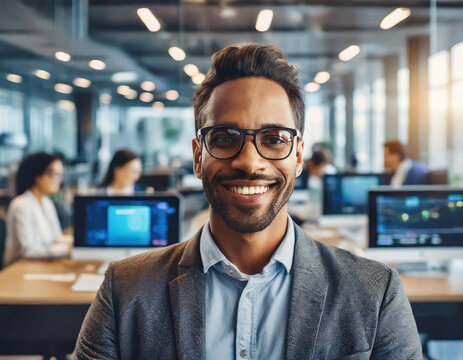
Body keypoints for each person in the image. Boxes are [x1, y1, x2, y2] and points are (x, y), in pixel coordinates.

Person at [73, 44, 422, 359]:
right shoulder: (126, 290)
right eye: (224, 138)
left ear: (298, 157)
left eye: (273, 139)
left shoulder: (376, 293)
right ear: (198, 157)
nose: (250, 162)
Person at [4, 152, 72, 266]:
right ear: (38, 176)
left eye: (60, 175)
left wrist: (77, 243)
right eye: (55, 174)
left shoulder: (47, 202)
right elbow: (29, 251)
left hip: (41, 265)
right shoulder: (21, 205)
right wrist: (65, 250)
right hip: (20, 268)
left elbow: (57, 238)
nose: (59, 180)